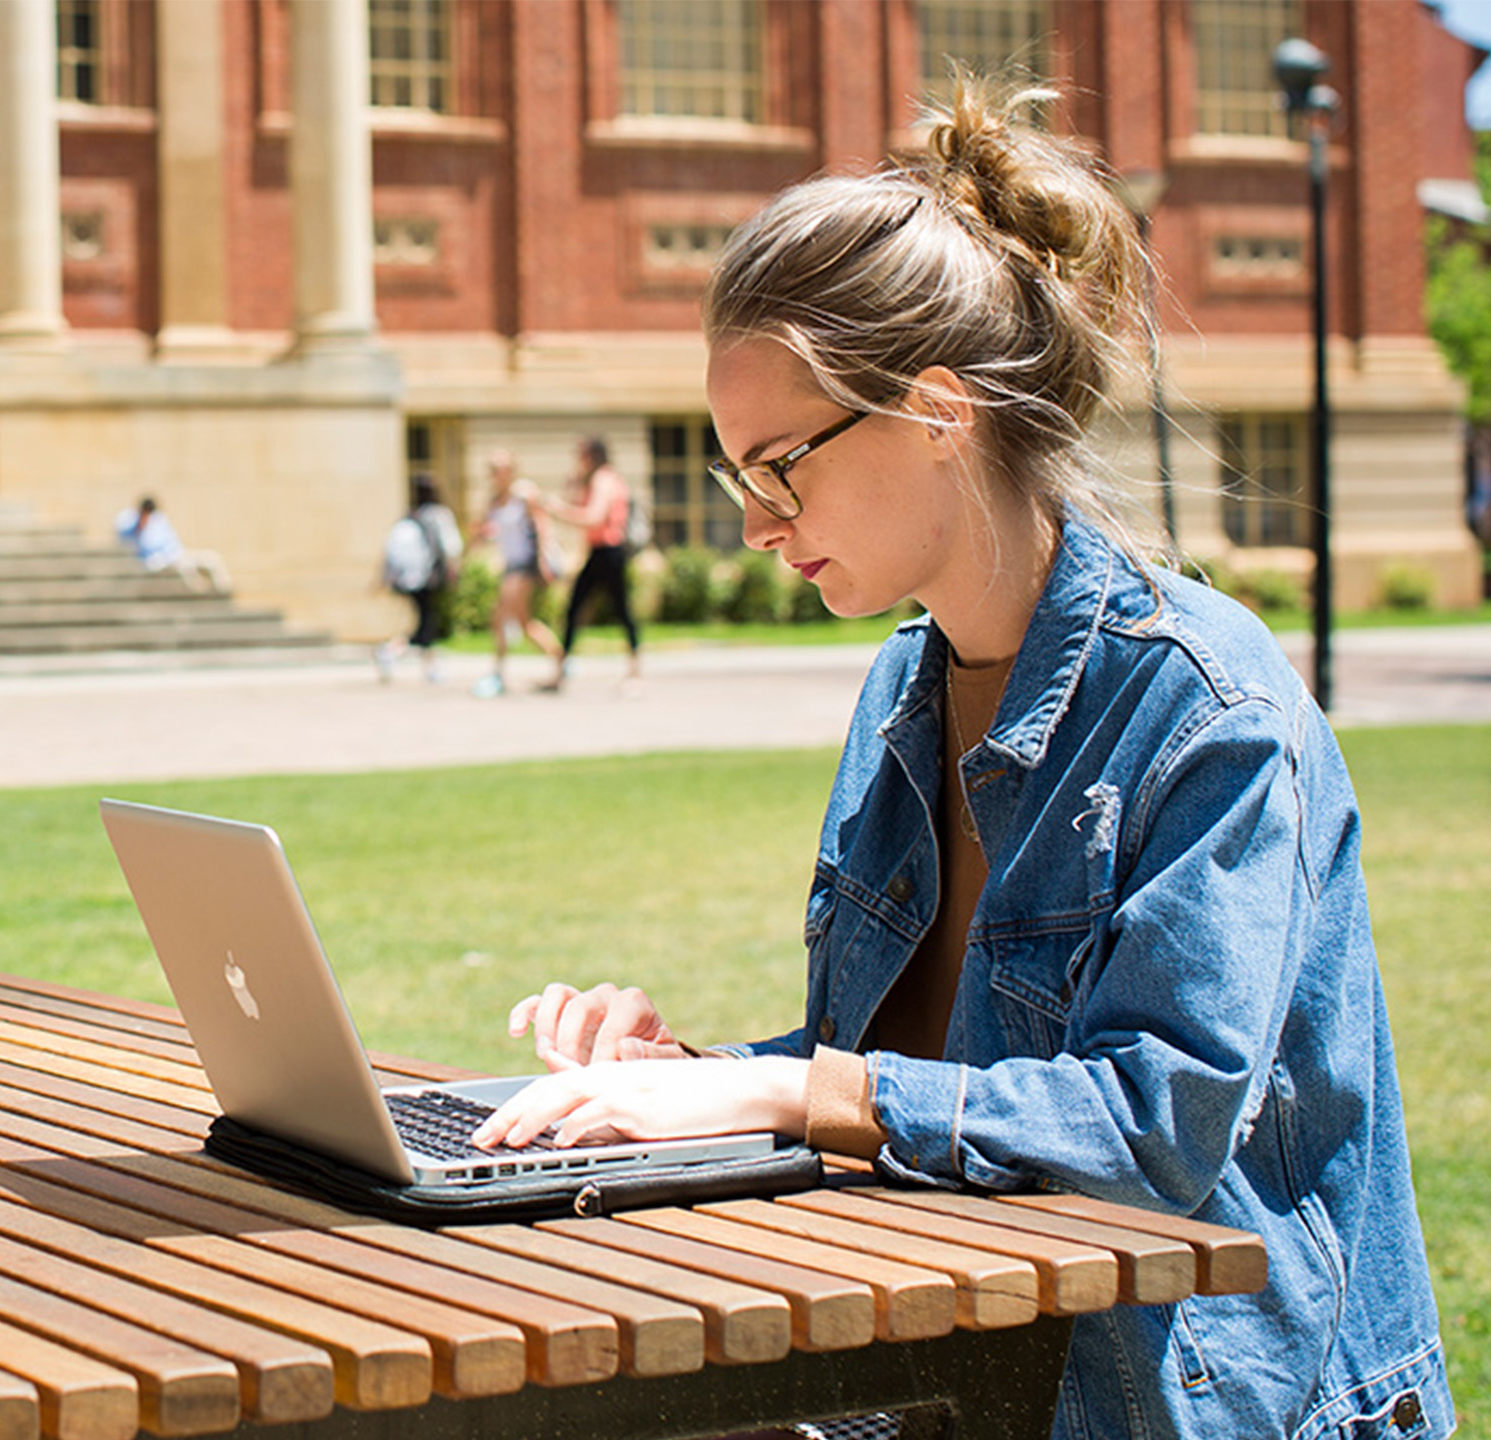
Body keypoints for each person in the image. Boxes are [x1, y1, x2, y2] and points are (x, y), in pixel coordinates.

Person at [471, 79, 1454, 1440]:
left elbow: (1149, 1128)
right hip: (954, 1373)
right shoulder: (903, 690)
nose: (758, 526)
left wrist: (775, 1089)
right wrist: (677, 1078)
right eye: (735, 483)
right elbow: (918, 1073)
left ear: (937, 413)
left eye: (781, 471)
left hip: (1192, 1406)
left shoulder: (1208, 709)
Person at [537, 436, 640, 693]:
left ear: (592, 456)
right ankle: (562, 671)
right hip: (598, 551)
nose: (577, 461)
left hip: (609, 551)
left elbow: (594, 518)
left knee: (620, 611)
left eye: (581, 455)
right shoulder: (596, 479)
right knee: (577, 610)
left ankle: (635, 672)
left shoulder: (603, 479)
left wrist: (558, 510)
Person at [470, 450, 562, 698]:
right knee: (524, 624)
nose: (497, 475)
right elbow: (484, 530)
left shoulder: (524, 495)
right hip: (510, 565)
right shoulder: (494, 502)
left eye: (501, 469)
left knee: (500, 617)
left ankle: (498, 674)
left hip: (524, 566)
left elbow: (542, 526)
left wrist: (544, 560)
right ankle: (560, 657)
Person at [376, 475, 463, 684]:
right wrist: (453, 571)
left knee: (425, 623)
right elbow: (451, 546)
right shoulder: (439, 515)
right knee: (425, 625)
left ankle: (429, 666)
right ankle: (392, 650)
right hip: (428, 577)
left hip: (410, 578)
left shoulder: (409, 516)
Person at [115, 495, 231, 594]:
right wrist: (138, 525)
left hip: (174, 555)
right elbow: (125, 536)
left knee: (210, 558)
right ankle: (197, 592)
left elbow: (172, 545)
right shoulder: (130, 522)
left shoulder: (158, 521)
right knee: (185, 567)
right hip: (155, 562)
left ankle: (224, 588)